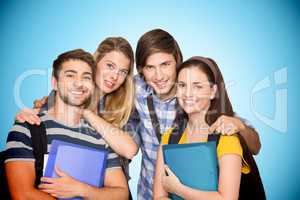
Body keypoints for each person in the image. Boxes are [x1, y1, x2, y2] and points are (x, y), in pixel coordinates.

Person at [126, 29, 262, 199]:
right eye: (150, 67)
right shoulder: (134, 88)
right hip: (149, 190)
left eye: (165, 64)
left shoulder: (197, 92)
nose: (159, 75)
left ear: (177, 62)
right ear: (141, 71)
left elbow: (254, 146)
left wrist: (239, 125)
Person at [5, 49, 129, 199]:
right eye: (70, 75)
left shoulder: (101, 137)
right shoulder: (27, 128)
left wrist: (83, 190)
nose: (79, 83)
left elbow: (121, 193)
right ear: (54, 83)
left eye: (86, 77)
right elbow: (23, 195)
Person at [153, 56, 265, 200]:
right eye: (182, 85)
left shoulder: (226, 136)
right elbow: (159, 196)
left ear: (213, 91)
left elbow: (227, 198)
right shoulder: (169, 137)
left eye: (197, 86)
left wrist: (178, 189)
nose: (187, 93)